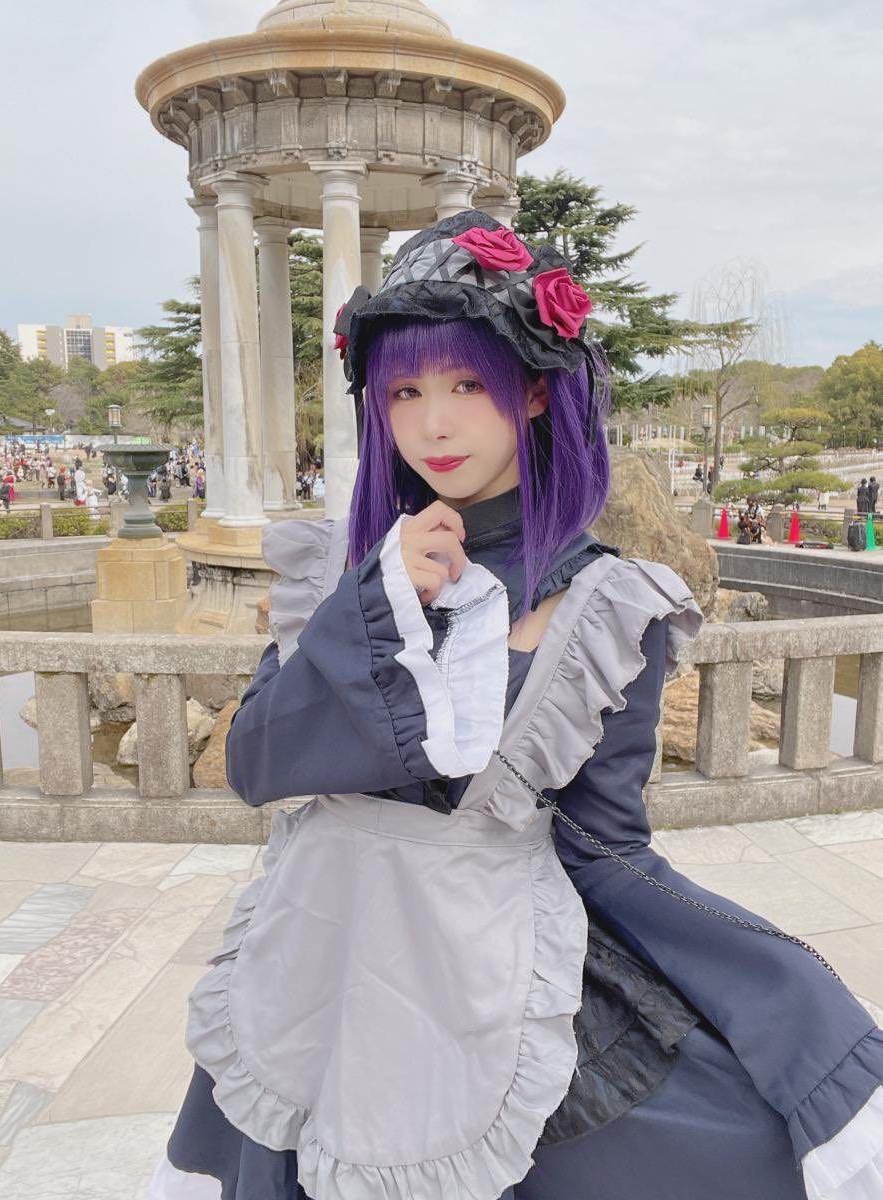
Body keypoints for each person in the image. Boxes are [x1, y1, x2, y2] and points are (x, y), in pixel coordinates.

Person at [146, 212, 883, 1200]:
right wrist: (374, 606)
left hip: (479, 982)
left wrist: (791, 1005)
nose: (433, 425)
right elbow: (256, 765)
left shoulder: (604, 606)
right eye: (405, 391)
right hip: (317, 965)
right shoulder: (338, 572)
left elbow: (604, 849)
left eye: (466, 385)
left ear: (534, 391)